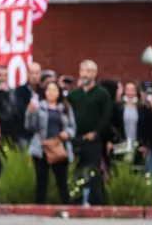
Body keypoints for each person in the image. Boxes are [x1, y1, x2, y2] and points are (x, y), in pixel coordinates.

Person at [66, 60, 112, 205]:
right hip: (76, 138)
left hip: (93, 139)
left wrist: (96, 132)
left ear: (94, 74)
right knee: (77, 170)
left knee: (94, 171)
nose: (85, 74)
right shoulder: (74, 95)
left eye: (88, 71)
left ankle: (96, 201)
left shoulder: (102, 94)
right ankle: (76, 199)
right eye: (83, 71)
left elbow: (106, 116)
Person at [26, 81, 76, 205]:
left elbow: (72, 127)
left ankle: (66, 205)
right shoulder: (39, 107)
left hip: (58, 146)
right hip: (42, 146)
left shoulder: (65, 108)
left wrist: (67, 133)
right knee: (41, 180)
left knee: (62, 180)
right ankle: (40, 206)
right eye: (49, 90)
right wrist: (30, 113)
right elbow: (30, 126)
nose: (51, 93)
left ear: (59, 93)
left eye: (54, 90)